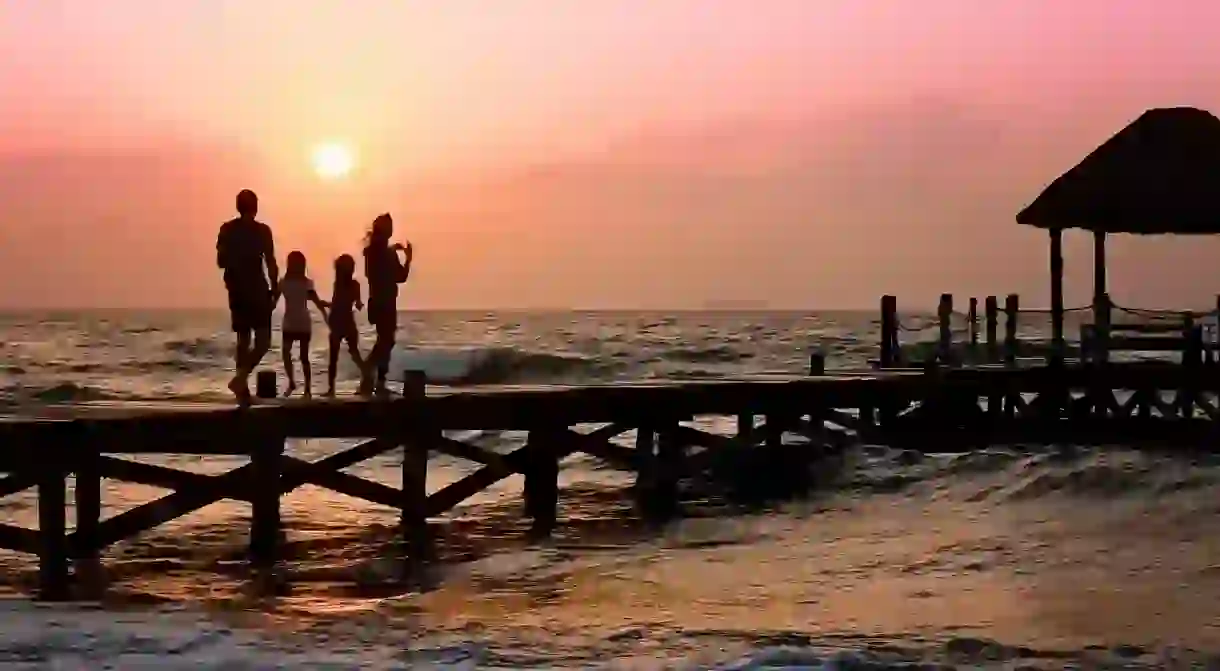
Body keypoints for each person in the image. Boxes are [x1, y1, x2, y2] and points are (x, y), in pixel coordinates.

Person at [216, 189, 278, 405]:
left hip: (237, 289)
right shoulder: (262, 231)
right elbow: (270, 261)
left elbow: (221, 261)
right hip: (256, 289)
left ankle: (241, 386)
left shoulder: (227, 230)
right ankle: (241, 380)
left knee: (243, 340)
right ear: (256, 206)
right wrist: (275, 287)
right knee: (262, 341)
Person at [360, 213, 412, 396]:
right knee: (386, 341)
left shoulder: (372, 251)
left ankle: (373, 381)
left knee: (385, 341)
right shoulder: (383, 253)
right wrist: (408, 259)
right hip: (385, 302)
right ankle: (372, 377)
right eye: (389, 226)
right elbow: (401, 277)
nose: (392, 229)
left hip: (378, 301)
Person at [278, 251, 329, 399]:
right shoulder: (284, 282)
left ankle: (307, 389)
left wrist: (325, 315)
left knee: (303, 357)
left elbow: (316, 301)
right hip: (290, 322)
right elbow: (274, 300)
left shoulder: (306, 283)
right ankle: (292, 383)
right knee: (286, 353)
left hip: (302, 323)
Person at [325, 254, 365, 397]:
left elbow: (341, 303)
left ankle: (331, 389)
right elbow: (342, 302)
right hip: (342, 320)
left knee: (337, 357)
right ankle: (331, 389)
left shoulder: (344, 284)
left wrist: (359, 304)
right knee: (351, 354)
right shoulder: (350, 284)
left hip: (341, 321)